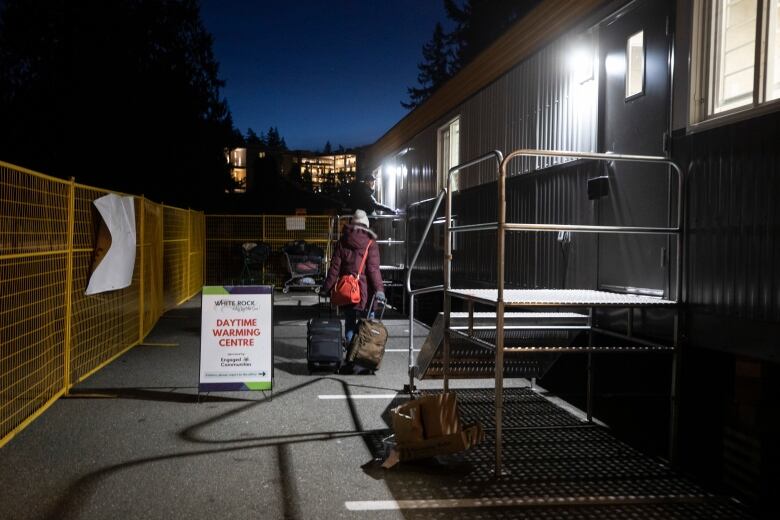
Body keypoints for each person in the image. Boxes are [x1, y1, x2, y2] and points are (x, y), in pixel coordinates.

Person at [321, 209, 385, 346]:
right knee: (367, 326)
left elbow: (334, 268)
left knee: (350, 323)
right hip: (366, 292)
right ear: (366, 224)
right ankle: (363, 359)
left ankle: (350, 355)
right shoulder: (370, 243)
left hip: (348, 290)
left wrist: (326, 288)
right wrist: (379, 289)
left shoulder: (342, 241)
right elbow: (373, 269)